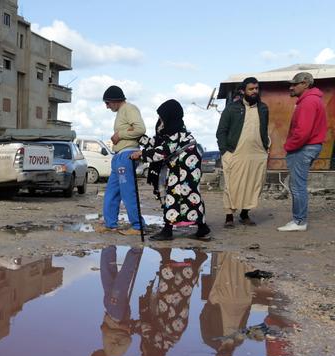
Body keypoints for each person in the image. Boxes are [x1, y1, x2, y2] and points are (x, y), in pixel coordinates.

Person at [131, 99, 211, 241]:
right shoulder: (174, 131)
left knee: (175, 195)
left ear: (170, 116)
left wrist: (141, 154)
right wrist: (139, 138)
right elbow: (158, 144)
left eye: (162, 117)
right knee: (191, 195)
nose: (160, 120)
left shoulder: (176, 134)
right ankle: (202, 227)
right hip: (184, 167)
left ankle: (168, 230)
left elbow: (162, 151)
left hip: (185, 168)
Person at [216, 77, 270, 227]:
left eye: (256, 89)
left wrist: (266, 148)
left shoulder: (263, 108)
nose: (254, 91)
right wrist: (225, 151)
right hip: (236, 153)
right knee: (232, 185)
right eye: (251, 89)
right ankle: (229, 217)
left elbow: (264, 129)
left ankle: (245, 214)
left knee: (253, 184)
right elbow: (221, 132)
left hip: (257, 153)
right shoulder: (232, 108)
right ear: (242, 91)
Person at [278, 72, 328, 231]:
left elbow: (302, 132)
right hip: (309, 146)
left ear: (305, 84)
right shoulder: (312, 100)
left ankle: (299, 222)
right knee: (298, 184)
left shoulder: (308, 102)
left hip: (304, 148)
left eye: (295, 84)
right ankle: (299, 220)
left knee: (298, 185)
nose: (291, 87)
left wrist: (288, 146)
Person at [100, 85, 146, 236]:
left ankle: (138, 225)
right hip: (119, 156)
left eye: (107, 103)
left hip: (127, 155)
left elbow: (140, 129)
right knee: (111, 193)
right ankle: (110, 224)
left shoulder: (129, 108)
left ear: (114, 100)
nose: (106, 107)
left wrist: (120, 135)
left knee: (128, 192)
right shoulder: (121, 112)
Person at [88, 246, 142, 356]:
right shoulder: (116, 353)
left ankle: (108, 248)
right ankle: (135, 251)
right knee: (121, 284)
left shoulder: (106, 347)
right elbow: (127, 339)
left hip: (110, 310)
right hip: (118, 315)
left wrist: (106, 328)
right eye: (95, 354)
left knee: (107, 277)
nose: (95, 351)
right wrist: (107, 330)